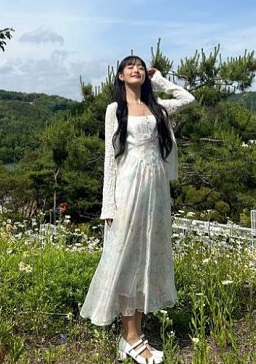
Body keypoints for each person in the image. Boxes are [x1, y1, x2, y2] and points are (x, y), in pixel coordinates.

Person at [80, 55, 195, 363]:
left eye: (141, 67)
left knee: (147, 257)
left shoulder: (157, 107)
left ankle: (133, 335)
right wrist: (108, 206)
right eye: (130, 66)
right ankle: (131, 337)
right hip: (128, 186)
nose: (137, 70)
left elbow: (187, 99)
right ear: (120, 75)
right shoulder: (114, 110)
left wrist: (160, 80)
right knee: (127, 257)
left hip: (156, 189)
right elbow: (110, 159)